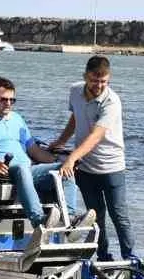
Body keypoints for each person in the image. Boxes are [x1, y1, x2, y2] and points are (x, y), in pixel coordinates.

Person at [0, 76, 85, 239]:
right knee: (22, 167)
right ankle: (39, 220)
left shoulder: (17, 118)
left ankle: (68, 220)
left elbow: (34, 150)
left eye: (12, 100)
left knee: (65, 169)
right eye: (3, 100)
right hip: (0, 172)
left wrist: (61, 162)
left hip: (29, 170)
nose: (8, 104)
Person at [49, 54, 134, 261]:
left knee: (119, 216)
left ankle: (131, 259)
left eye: (103, 81)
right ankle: (104, 257)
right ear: (85, 77)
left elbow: (96, 136)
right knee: (96, 216)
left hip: (111, 167)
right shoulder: (75, 91)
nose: (99, 85)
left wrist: (71, 159)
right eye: (94, 80)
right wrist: (61, 141)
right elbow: (75, 117)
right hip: (86, 168)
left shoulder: (111, 101)